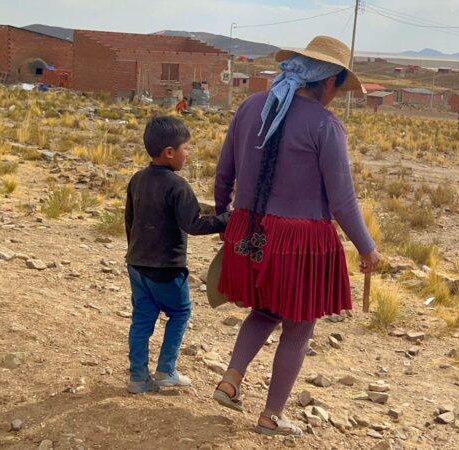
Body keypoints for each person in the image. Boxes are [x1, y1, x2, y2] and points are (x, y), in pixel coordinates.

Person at [212, 36, 380, 437]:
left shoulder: (251, 107)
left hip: (247, 230)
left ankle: (230, 380)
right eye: (339, 88)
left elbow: (223, 174)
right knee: (299, 324)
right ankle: (271, 415)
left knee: (265, 310)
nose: (336, 97)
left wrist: (225, 223)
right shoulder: (325, 126)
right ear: (329, 82)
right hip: (299, 242)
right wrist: (367, 247)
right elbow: (342, 201)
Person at [124, 116, 229, 394]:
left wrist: (135, 252)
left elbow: (129, 221)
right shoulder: (177, 186)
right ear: (170, 152)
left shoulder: (137, 180)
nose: (188, 153)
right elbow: (193, 224)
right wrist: (227, 220)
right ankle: (165, 370)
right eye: (186, 148)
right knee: (181, 313)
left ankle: (138, 377)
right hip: (167, 270)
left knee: (142, 320)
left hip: (137, 265)